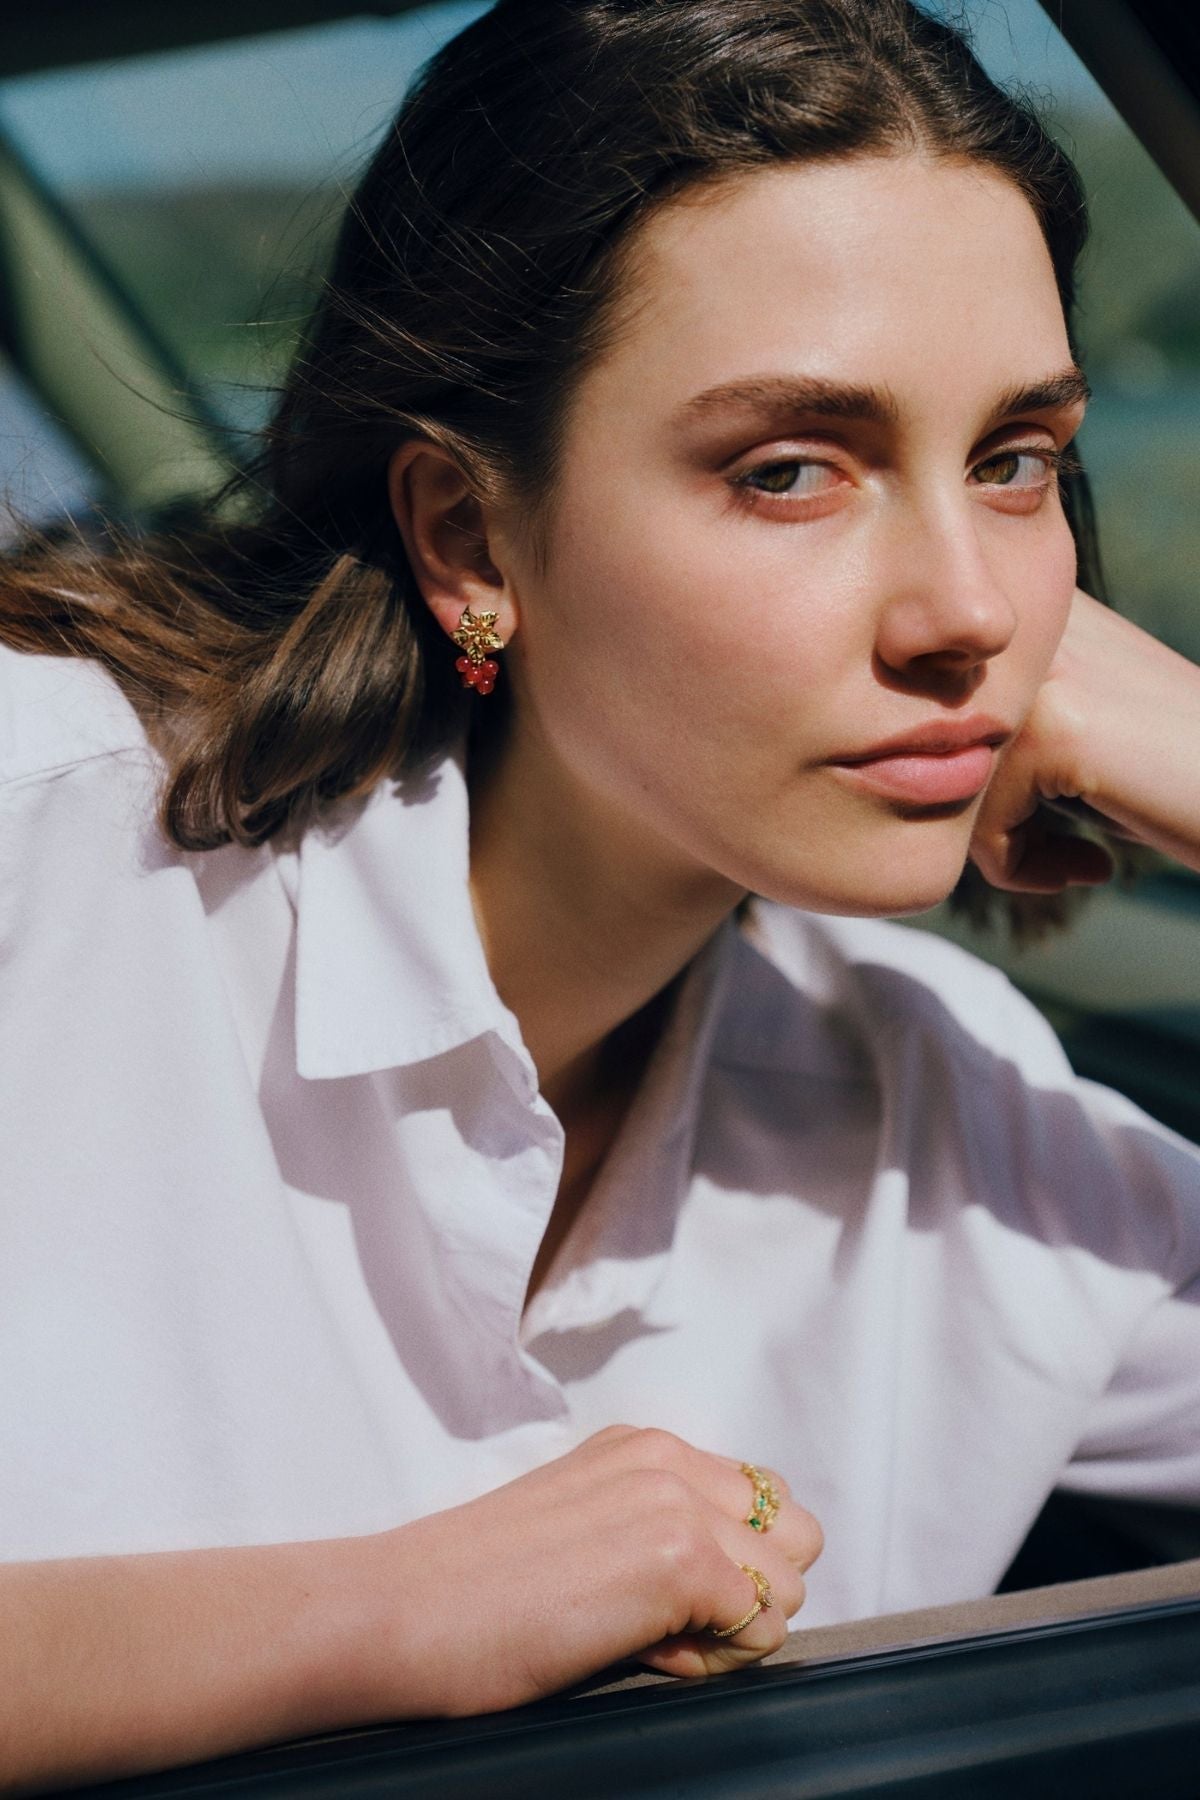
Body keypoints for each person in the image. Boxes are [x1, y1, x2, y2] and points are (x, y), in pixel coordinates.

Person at [3, 0, 1200, 1788]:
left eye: (1014, 460)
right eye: (792, 468)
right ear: (472, 538)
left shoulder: (951, 1109)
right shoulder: (46, 846)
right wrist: (379, 1614)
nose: (968, 608)